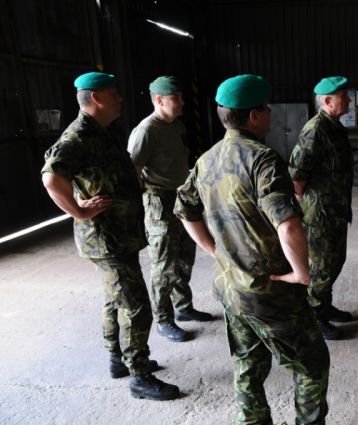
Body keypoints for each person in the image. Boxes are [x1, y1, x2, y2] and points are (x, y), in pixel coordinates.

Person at [174, 74, 329, 425]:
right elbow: (287, 224)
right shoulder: (263, 160)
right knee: (311, 364)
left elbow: (184, 209)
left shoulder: (207, 159)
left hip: (233, 288)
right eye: (267, 108)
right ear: (255, 115)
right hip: (270, 292)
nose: (270, 113)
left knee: (247, 364)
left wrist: (215, 251)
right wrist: (302, 273)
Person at [41, 72, 179, 400]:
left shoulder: (102, 132)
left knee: (114, 298)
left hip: (120, 235)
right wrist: (79, 211)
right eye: (113, 93)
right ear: (97, 98)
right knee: (136, 306)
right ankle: (139, 376)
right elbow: (51, 178)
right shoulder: (78, 137)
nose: (120, 98)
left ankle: (118, 359)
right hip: (107, 239)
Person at [127, 76, 213, 343]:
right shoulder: (146, 130)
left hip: (180, 198)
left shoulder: (176, 125)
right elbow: (133, 168)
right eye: (176, 98)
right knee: (164, 264)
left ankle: (183, 307)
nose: (182, 102)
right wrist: (146, 195)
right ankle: (163, 320)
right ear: (159, 100)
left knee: (185, 258)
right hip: (159, 201)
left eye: (181, 96)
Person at [288, 76, 354, 340]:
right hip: (320, 215)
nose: (349, 100)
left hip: (336, 210)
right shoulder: (315, 130)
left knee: (335, 261)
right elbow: (297, 177)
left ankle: (324, 305)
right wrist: (306, 207)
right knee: (322, 267)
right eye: (344, 96)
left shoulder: (334, 127)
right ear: (328, 101)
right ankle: (314, 316)